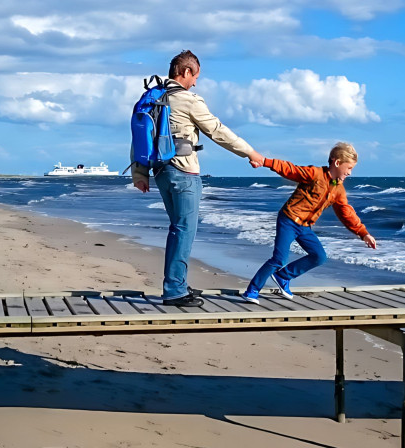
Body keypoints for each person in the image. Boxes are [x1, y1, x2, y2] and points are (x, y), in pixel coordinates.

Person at [130, 50, 269, 307]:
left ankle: (178, 283)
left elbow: (140, 136)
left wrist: (140, 173)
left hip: (161, 172)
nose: (196, 82)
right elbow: (218, 131)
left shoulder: (153, 97)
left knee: (178, 229)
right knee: (184, 231)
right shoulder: (187, 100)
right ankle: (174, 290)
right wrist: (250, 152)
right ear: (185, 72)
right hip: (184, 172)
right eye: (195, 76)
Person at [242, 142, 377, 304]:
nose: (350, 173)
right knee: (279, 259)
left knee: (319, 256)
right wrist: (264, 161)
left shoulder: (338, 190)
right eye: (349, 168)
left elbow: (346, 213)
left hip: (304, 227)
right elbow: (290, 169)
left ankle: (283, 276)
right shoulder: (315, 174)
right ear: (337, 163)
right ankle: (252, 291)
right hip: (288, 220)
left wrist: (363, 233)